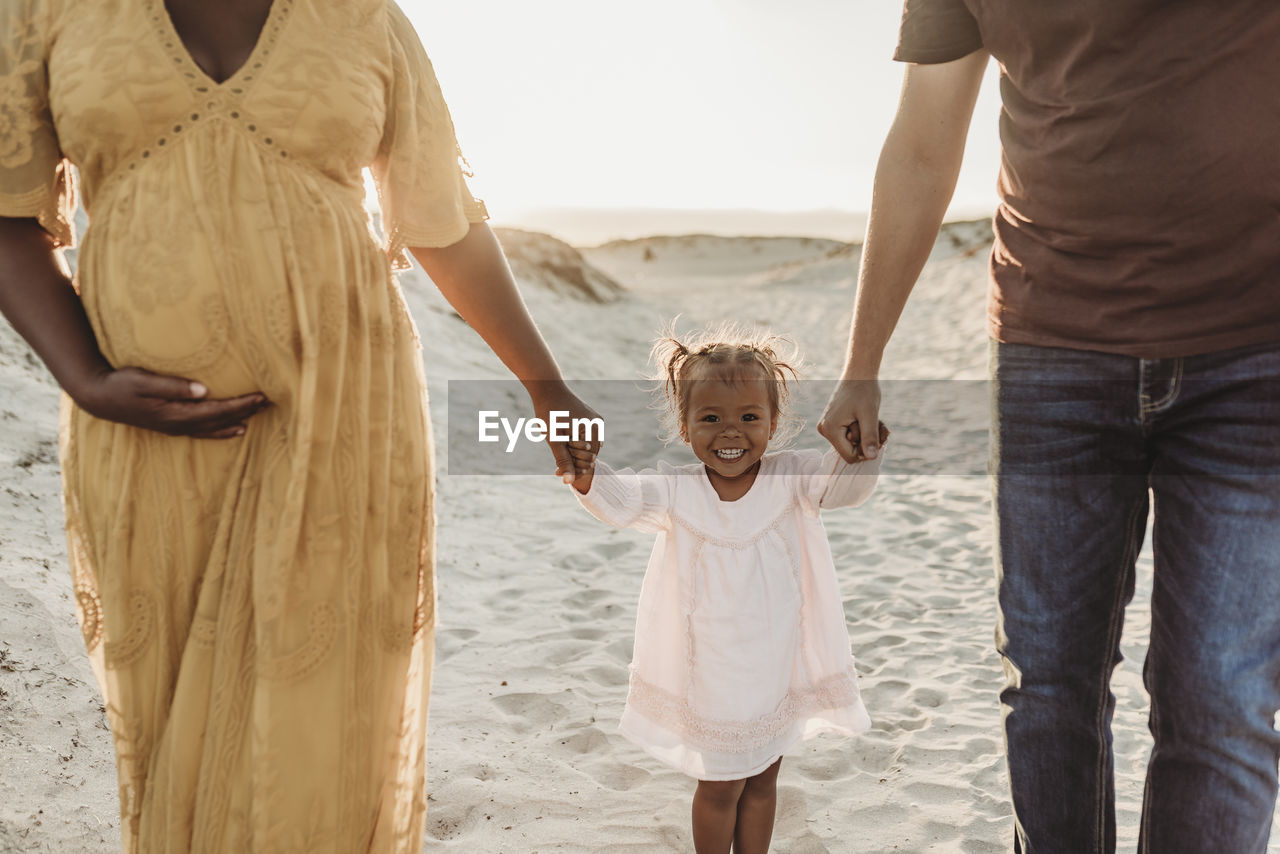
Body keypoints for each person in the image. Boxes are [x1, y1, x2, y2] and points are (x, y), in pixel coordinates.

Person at [0, 1, 595, 851]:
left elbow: (443, 223)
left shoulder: (363, 15)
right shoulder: (46, 9)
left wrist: (547, 384)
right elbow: (8, 214)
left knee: (326, 715)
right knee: (173, 726)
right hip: (145, 434)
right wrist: (83, 377)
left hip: (347, 420)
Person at [817, 2, 1280, 853]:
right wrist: (863, 361)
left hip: (1255, 348)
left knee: (1221, 695)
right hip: (1051, 345)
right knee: (1048, 683)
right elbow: (924, 141)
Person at [562, 325, 887, 854]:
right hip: (710, 674)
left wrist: (859, 452)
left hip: (776, 666)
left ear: (773, 423)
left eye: (749, 418)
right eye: (710, 419)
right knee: (718, 787)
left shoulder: (794, 478)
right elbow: (620, 501)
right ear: (686, 429)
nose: (730, 433)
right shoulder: (676, 490)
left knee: (762, 781)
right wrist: (586, 476)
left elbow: (845, 490)